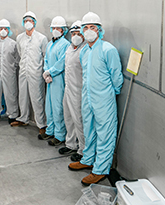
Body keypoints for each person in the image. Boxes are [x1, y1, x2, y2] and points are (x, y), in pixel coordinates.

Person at [68, 12, 123, 186]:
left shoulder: (108, 49)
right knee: (89, 130)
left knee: (105, 133)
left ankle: (100, 169)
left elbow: (117, 77)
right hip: (88, 98)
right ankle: (88, 159)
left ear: (99, 30)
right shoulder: (84, 51)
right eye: (86, 28)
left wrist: (108, 94)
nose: (89, 31)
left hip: (104, 99)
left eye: (93, 27)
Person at [11, 11, 48, 138]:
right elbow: (20, 53)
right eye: (26, 20)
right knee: (23, 96)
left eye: (31, 20)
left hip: (36, 73)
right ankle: (23, 118)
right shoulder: (19, 38)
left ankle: (42, 124)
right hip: (23, 71)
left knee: (37, 98)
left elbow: (45, 56)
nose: (28, 23)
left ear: (35, 22)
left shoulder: (41, 38)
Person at [59, 20, 86, 161]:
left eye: (78, 33)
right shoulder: (70, 48)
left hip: (79, 91)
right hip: (68, 88)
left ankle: (82, 149)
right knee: (68, 117)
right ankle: (71, 144)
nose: (76, 36)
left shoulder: (85, 50)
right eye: (73, 33)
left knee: (79, 120)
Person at [42, 16, 70, 146]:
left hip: (58, 79)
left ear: (63, 30)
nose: (55, 30)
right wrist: (46, 71)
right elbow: (46, 59)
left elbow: (62, 63)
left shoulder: (65, 44)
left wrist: (51, 72)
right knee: (49, 106)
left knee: (58, 107)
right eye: (53, 28)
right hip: (49, 80)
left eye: (58, 28)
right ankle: (50, 130)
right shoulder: (50, 43)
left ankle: (59, 135)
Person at [0, 19, 19, 123]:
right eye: (1, 28)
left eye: (5, 28)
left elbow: (17, 59)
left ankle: (12, 114)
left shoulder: (13, 44)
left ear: (9, 30)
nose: (3, 30)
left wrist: (12, 68)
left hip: (9, 72)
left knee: (10, 93)